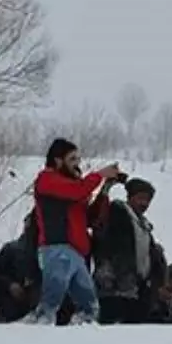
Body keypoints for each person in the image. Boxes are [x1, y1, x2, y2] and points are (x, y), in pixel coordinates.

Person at [30, 138, 120, 325]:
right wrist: (99, 174)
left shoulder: (73, 185)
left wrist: (104, 191)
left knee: (89, 305)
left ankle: (82, 335)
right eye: (72, 159)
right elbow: (76, 192)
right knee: (51, 300)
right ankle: (35, 330)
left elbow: (88, 218)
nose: (77, 164)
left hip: (76, 251)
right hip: (56, 247)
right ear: (58, 160)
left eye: (78, 159)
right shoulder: (47, 179)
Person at [93, 178, 161, 324]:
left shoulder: (143, 226)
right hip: (113, 284)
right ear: (130, 197)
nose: (144, 203)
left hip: (134, 288)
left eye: (148, 200)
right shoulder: (118, 213)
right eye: (140, 198)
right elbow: (115, 247)